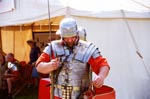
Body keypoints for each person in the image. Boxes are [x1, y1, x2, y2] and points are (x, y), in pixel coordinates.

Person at [36, 18, 110, 99]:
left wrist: (101, 77)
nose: (70, 40)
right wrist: (50, 66)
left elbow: (103, 65)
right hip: (59, 96)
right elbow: (39, 66)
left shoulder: (87, 48)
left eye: (73, 37)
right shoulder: (53, 47)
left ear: (77, 34)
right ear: (61, 36)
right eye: (66, 38)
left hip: (82, 95)